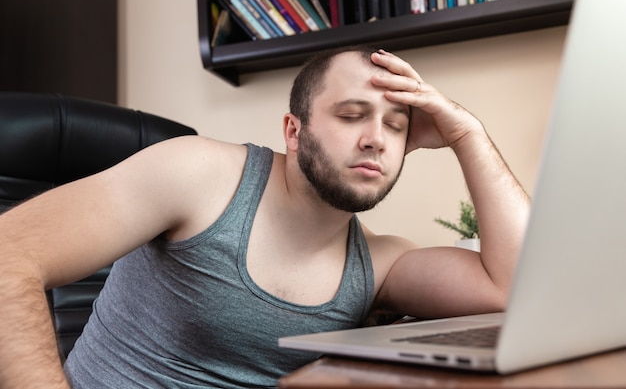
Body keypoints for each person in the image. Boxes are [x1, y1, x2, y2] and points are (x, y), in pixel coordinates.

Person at [0, 46, 530, 389]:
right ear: (294, 131)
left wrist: (467, 135)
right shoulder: (197, 173)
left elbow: (515, 288)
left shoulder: (382, 264)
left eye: (396, 126)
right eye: (351, 115)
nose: (376, 138)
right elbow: (9, 254)